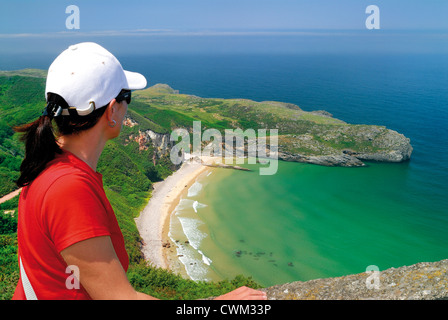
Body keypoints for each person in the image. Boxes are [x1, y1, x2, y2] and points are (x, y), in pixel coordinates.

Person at [12, 42, 267, 300]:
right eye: (127, 98)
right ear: (112, 110)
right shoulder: (69, 188)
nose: (127, 108)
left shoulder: (46, 162)